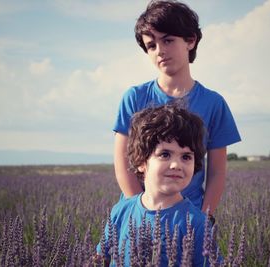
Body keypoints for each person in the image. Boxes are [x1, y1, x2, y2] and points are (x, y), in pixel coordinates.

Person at [113, 0, 241, 220]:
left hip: (189, 216)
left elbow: (217, 172)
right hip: (135, 213)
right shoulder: (134, 97)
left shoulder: (214, 103)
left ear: (190, 41)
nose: (160, 51)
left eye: (168, 40)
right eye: (151, 45)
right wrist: (141, 212)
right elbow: (122, 161)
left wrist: (204, 216)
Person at [98, 104, 212, 266]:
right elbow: (101, 258)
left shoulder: (197, 223)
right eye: (165, 154)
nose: (176, 165)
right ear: (141, 162)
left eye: (186, 157)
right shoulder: (121, 211)